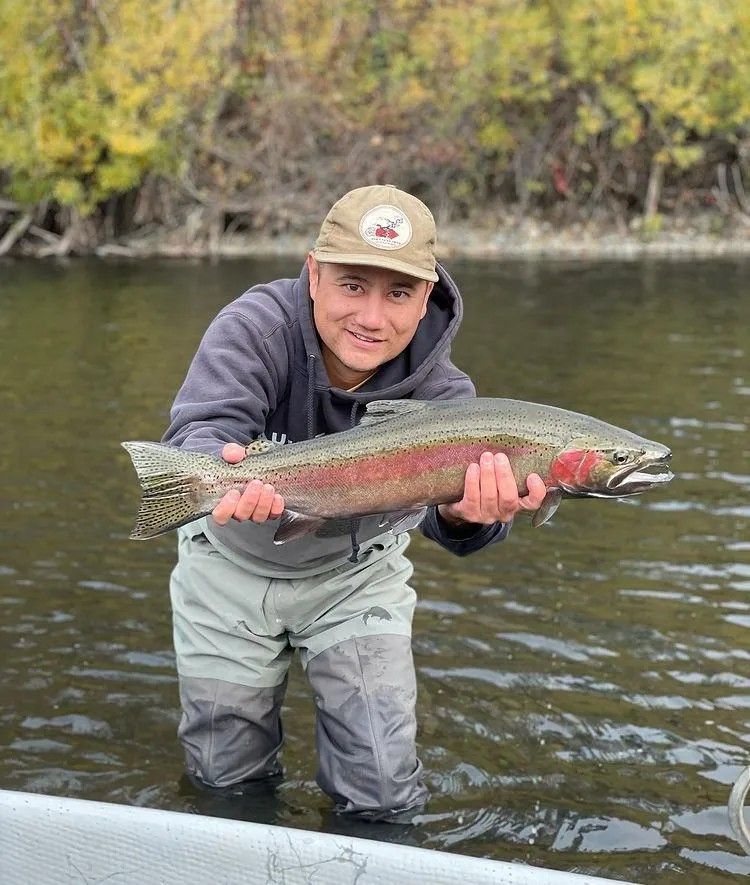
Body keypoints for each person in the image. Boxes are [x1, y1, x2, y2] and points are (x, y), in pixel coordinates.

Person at [162, 184, 546, 822]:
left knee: (383, 788)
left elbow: (448, 526)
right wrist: (216, 466)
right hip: (227, 567)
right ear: (313, 275)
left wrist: (464, 516)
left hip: (356, 574)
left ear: (425, 298)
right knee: (224, 779)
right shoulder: (254, 327)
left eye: (398, 294)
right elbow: (200, 430)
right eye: (352, 285)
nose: (371, 317)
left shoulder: (447, 398)